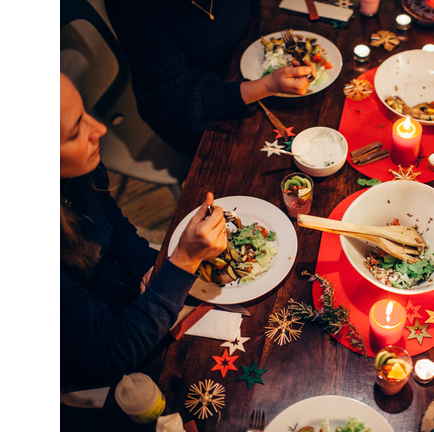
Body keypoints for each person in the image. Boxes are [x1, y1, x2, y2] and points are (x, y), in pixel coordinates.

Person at [60, 73, 228, 389]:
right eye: (73, 133)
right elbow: (112, 352)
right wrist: (182, 262)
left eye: (85, 114)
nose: (99, 129)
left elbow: (111, 221)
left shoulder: (79, 167)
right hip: (103, 351)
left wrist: (145, 266)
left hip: (127, 286)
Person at [104, 0, 315, 154]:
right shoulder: (132, 6)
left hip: (240, 69)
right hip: (192, 113)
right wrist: (268, 85)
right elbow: (176, 99)